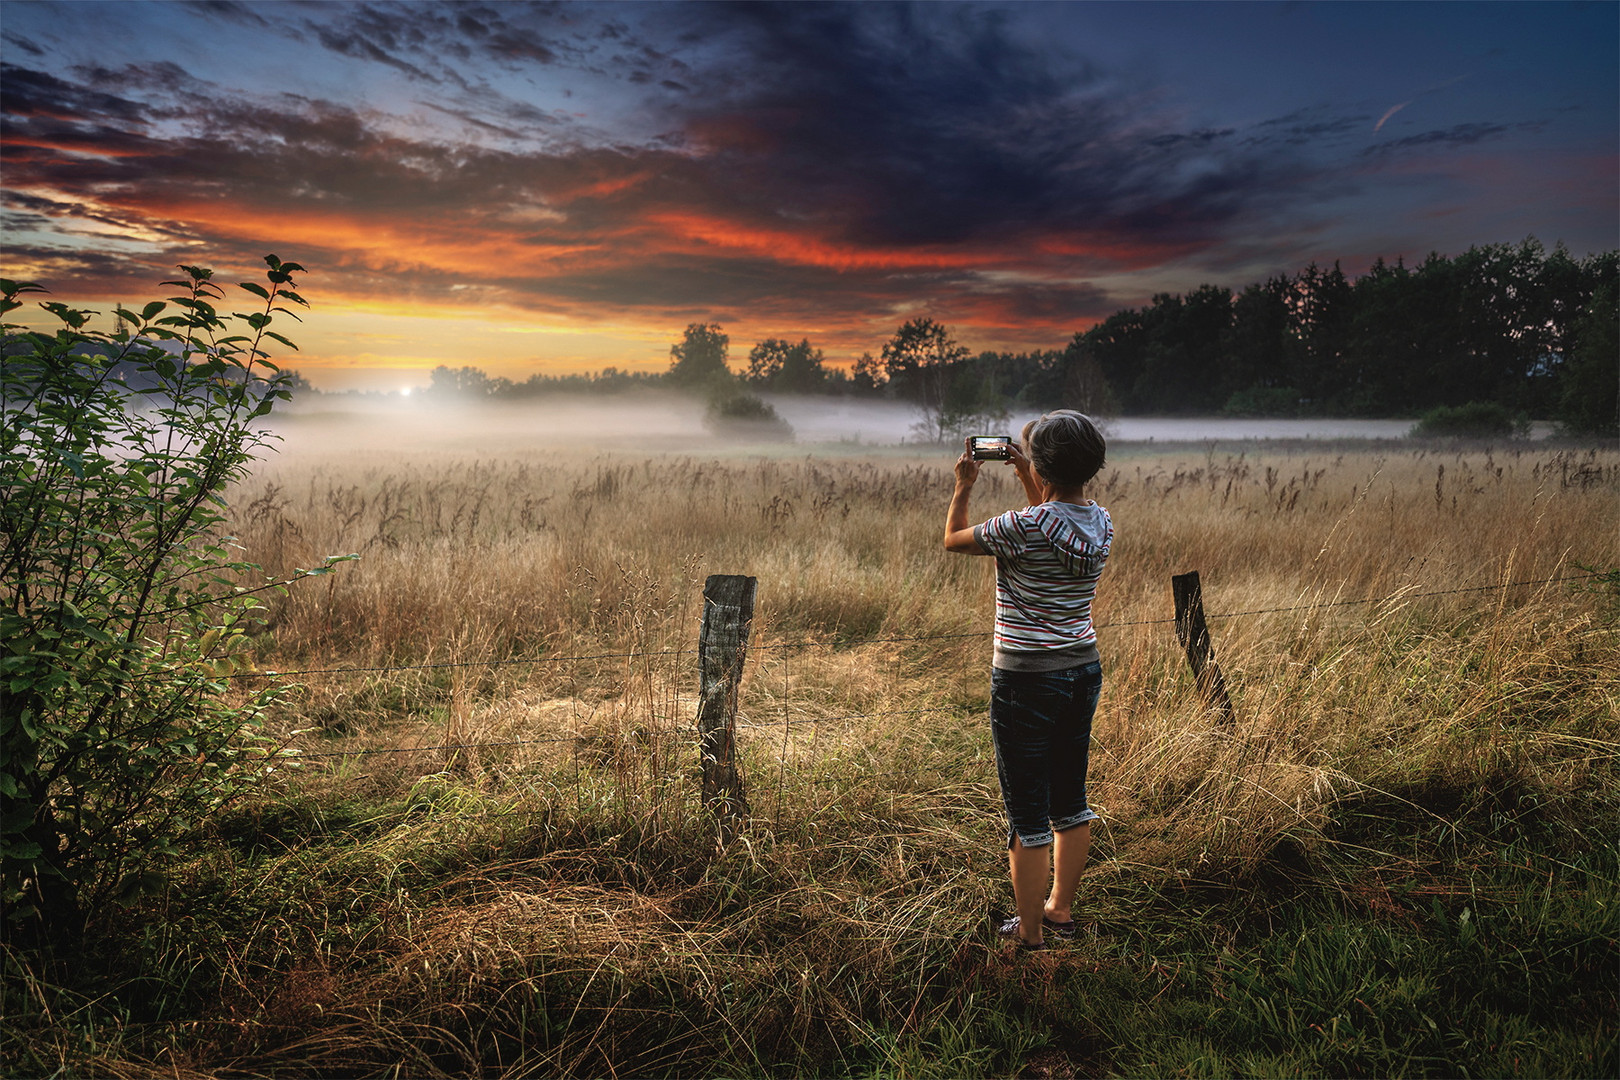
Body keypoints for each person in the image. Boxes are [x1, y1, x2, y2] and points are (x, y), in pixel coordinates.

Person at [943, 411, 1113, 952]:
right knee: (1070, 799)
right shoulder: (1101, 523)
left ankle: (1031, 937)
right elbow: (1054, 515)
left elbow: (953, 540)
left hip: (1026, 679)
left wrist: (963, 486)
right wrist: (1026, 472)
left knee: (1027, 810)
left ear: (1043, 465)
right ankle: (1059, 909)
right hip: (1082, 668)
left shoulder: (1023, 527)